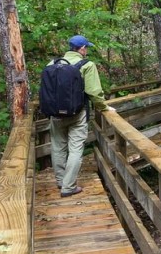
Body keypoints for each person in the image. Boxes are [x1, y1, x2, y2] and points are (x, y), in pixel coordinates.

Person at [49, 35, 115, 197]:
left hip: (55, 114)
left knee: (58, 147)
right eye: (87, 48)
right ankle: (68, 186)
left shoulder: (53, 64)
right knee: (75, 149)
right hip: (77, 113)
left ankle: (60, 181)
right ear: (82, 49)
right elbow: (94, 92)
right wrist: (104, 107)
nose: (87, 51)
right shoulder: (87, 65)